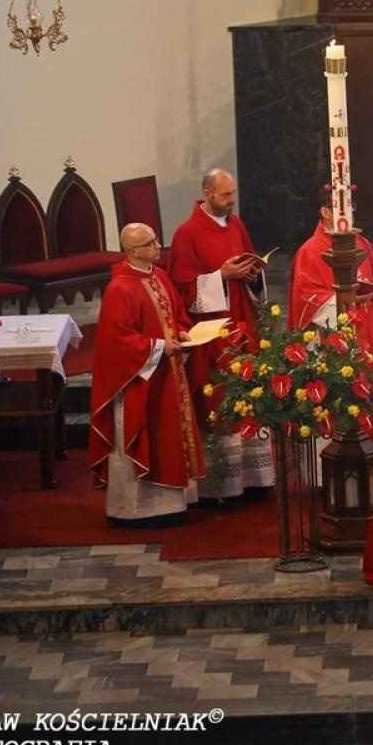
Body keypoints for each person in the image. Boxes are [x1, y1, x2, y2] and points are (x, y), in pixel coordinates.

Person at [166, 167, 276, 500]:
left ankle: (256, 480)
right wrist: (221, 277)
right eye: (225, 195)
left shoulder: (235, 224)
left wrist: (253, 273)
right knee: (220, 400)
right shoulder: (187, 233)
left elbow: (249, 266)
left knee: (249, 396)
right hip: (212, 335)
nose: (231, 201)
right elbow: (181, 290)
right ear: (208, 193)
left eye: (233, 193)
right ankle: (223, 487)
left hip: (242, 324)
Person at [88, 224, 206, 527]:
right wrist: (158, 346)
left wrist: (182, 331)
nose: (158, 246)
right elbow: (118, 342)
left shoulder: (159, 275)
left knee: (167, 434)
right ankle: (135, 510)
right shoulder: (119, 289)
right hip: (138, 381)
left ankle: (172, 505)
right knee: (143, 433)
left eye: (156, 240)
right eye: (150, 243)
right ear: (132, 251)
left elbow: (177, 313)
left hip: (168, 373)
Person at [288, 189, 373, 442]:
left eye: (352, 207)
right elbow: (305, 297)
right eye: (343, 208)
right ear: (325, 212)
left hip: (368, 327)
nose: (351, 214)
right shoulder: (310, 250)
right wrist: (344, 300)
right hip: (333, 336)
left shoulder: (361, 242)